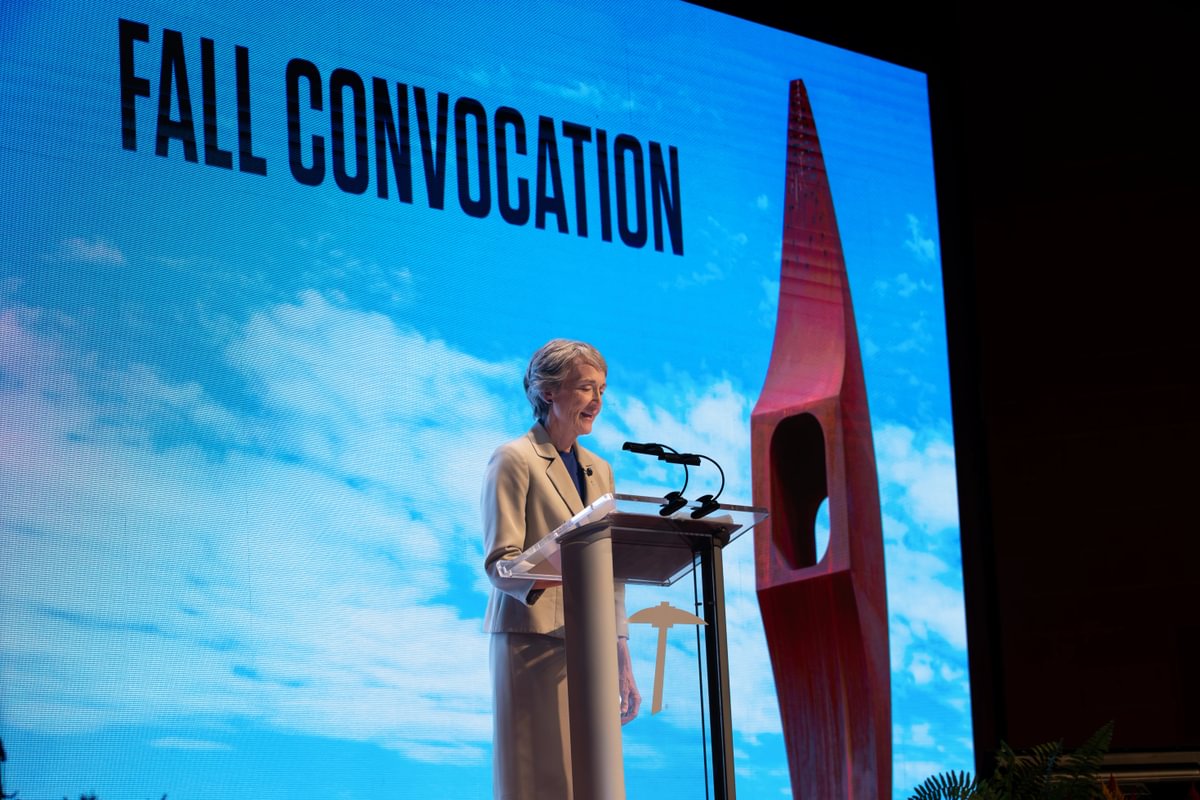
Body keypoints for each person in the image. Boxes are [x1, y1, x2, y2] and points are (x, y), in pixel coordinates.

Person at [482, 338, 641, 800]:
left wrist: (622, 657)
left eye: (602, 390)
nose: (597, 400)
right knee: (543, 783)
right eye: (586, 388)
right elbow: (500, 566)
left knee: (596, 784)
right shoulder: (514, 458)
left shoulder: (601, 470)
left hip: (588, 647)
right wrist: (558, 567)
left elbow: (611, 575)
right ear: (549, 391)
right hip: (532, 645)